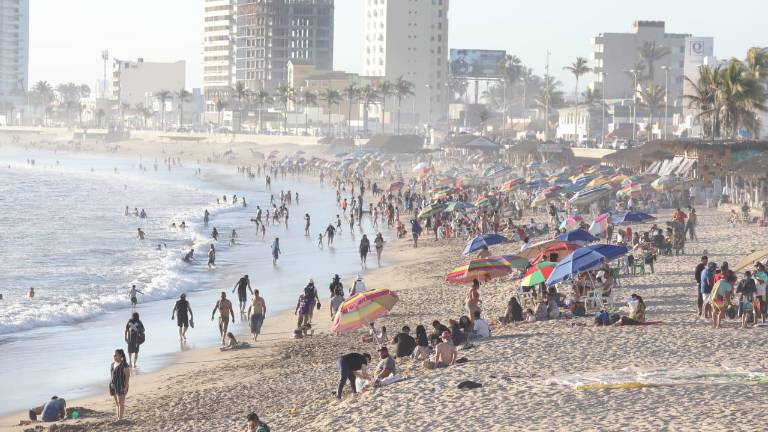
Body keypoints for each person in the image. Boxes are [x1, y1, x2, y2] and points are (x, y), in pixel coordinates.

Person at [109, 349, 130, 420]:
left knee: (121, 402)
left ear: (120, 355)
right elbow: (112, 375)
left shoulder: (124, 364)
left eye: (116, 354)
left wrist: (126, 386)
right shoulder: (112, 364)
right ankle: (118, 417)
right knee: (117, 403)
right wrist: (111, 383)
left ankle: (120, 418)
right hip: (113, 386)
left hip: (121, 385)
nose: (114, 356)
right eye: (114, 355)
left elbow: (127, 376)